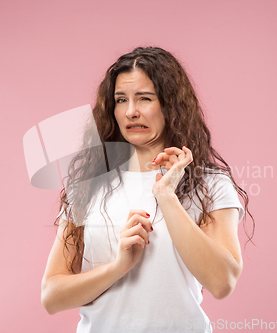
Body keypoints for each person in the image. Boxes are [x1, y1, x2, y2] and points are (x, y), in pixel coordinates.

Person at [41, 46, 254, 333]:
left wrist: (166, 196)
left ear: (170, 104)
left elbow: (222, 282)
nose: (131, 111)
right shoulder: (89, 187)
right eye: (121, 99)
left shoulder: (210, 184)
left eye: (144, 98)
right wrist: (118, 266)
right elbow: (52, 296)